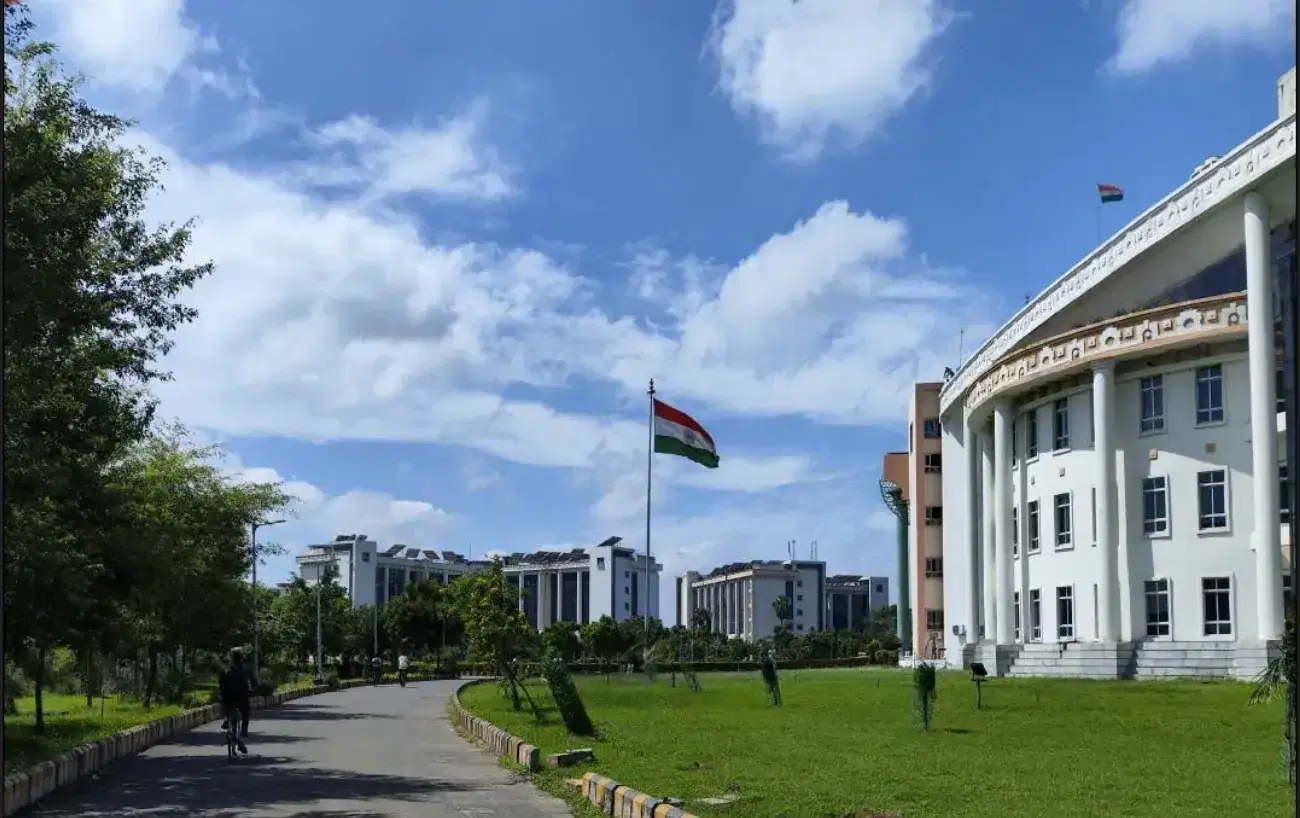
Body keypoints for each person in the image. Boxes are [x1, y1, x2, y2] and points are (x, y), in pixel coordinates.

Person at [218, 651, 255, 754]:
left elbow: (221, 686)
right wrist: (253, 691)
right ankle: (244, 730)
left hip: (228, 698)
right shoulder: (246, 670)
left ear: (232, 659)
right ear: (241, 659)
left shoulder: (226, 670)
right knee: (246, 712)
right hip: (242, 698)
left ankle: (226, 719)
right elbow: (254, 683)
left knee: (224, 703)